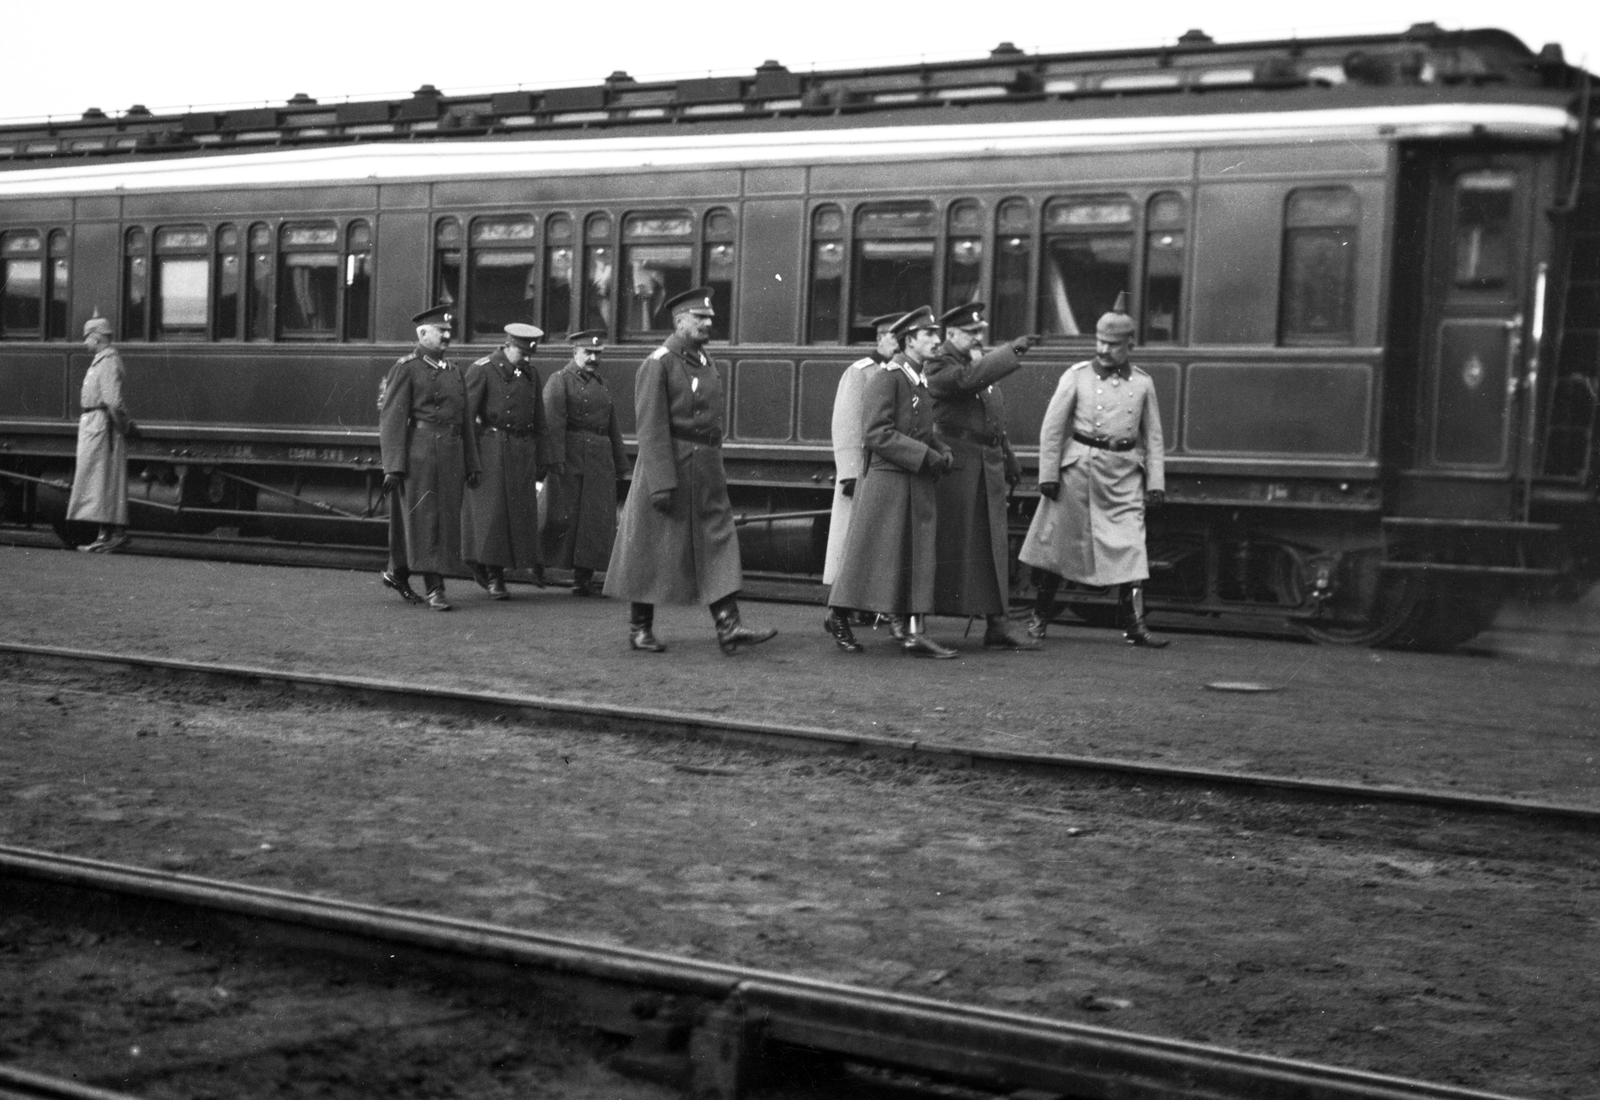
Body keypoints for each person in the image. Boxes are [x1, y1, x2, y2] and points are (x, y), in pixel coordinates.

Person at [603, 287, 775, 654]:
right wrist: (662, 482)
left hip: (705, 469)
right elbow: (650, 428)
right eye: (700, 318)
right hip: (669, 468)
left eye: (710, 318)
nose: (708, 323)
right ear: (680, 321)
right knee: (649, 550)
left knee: (717, 542)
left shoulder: (704, 360)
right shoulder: (658, 363)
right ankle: (639, 629)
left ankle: (729, 626)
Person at [1019, 292, 1168, 647]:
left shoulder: (1143, 383)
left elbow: (1155, 437)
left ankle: (1135, 626)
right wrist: (1048, 475)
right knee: (1057, 547)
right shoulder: (1077, 376)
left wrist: (1156, 482)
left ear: (1128, 345)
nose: (1103, 349)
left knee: (1132, 547)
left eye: (1112, 344)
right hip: (1079, 471)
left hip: (1125, 474)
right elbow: (1052, 428)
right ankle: (1039, 618)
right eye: (1100, 341)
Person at [825, 306, 959, 658]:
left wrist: (940, 449)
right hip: (889, 482)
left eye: (937, 334)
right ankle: (838, 617)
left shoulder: (917, 378)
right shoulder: (888, 377)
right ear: (909, 340)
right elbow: (876, 434)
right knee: (871, 558)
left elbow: (920, 431)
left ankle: (911, 632)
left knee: (908, 557)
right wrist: (926, 455)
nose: (937, 341)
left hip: (911, 480)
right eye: (929, 335)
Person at [924, 302, 1040, 650]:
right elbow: (963, 382)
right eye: (972, 333)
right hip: (957, 470)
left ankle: (997, 625)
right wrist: (1012, 351)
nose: (978, 338)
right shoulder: (939, 364)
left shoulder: (976, 364)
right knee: (948, 548)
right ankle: (914, 623)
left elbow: (992, 423)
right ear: (952, 334)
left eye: (980, 332)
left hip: (985, 466)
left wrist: (1009, 460)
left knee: (992, 547)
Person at [378, 305, 481, 612]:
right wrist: (393, 466)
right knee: (425, 521)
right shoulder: (406, 368)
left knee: (440, 522)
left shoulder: (454, 372)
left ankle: (397, 573)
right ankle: (435, 588)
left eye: (449, 332)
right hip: (420, 455)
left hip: (449, 455)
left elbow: (465, 423)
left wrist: (472, 463)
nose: (448, 336)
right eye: (441, 331)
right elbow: (392, 419)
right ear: (423, 334)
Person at [461, 322, 555, 600]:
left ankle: (513, 566)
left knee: (519, 515)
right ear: (508, 345)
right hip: (491, 450)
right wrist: (471, 457)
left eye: (530, 355)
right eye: (522, 353)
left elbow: (540, 419)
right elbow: (467, 419)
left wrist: (544, 458)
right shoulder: (482, 370)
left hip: (521, 451)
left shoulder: (530, 374)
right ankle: (494, 576)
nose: (526, 359)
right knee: (493, 516)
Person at [542, 329, 628, 597]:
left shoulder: (601, 383)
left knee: (595, 520)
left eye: (597, 353)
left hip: (600, 459)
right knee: (562, 516)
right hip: (571, 457)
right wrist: (554, 461)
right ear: (575, 353)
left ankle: (584, 576)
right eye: (588, 353)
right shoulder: (559, 381)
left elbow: (612, 426)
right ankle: (538, 563)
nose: (593, 358)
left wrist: (621, 463)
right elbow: (552, 425)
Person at [822, 312, 901, 588]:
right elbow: (845, 425)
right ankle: (846, 602)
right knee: (854, 538)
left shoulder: (904, 373)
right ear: (881, 338)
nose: (900, 345)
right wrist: (850, 473)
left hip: (891, 469)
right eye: (895, 337)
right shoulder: (860, 372)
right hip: (864, 470)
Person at [66, 312, 133, 553]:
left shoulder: (107, 361)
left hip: (102, 426)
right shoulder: (102, 360)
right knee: (100, 479)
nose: (84, 342)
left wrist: (122, 426)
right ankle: (105, 534)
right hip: (96, 423)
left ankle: (112, 534)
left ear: (97, 338)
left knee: (104, 479)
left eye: (87, 338)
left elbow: (112, 401)